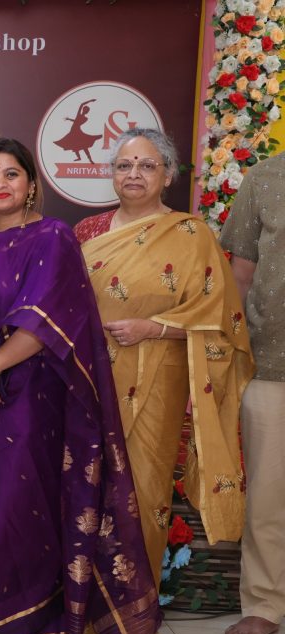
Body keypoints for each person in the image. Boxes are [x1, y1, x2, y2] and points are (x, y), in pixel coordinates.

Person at [0, 138, 161, 634]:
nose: (1, 184)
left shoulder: (52, 236)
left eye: (11, 174)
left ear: (31, 183)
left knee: (15, 507)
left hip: (27, 396)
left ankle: (23, 617)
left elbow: (46, 321)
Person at [74, 128, 254, 588]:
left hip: (158, 381)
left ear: (168, 174)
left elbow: (221, 320)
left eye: (147, 165)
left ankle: (135, 604)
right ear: (112, 174)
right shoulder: (87, 232)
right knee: (83, 490)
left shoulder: (192, 235)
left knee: (144, 491)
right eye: (124, 165)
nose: (134, 174)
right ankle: (80, 605)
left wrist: (153, 328)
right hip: (89, 380)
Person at [220, 152, 285, 634]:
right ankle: (264, 604)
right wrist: (231, 354)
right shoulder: (265, 177)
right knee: (267, 495)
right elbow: (240, 274)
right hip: (270, 363)